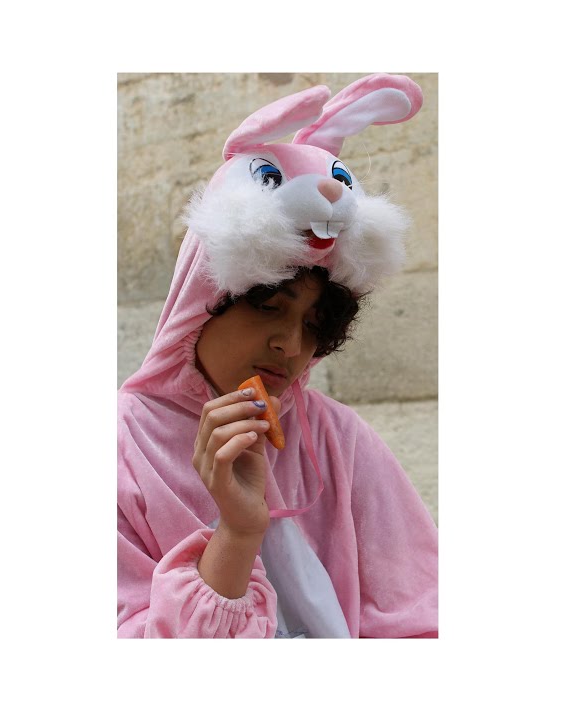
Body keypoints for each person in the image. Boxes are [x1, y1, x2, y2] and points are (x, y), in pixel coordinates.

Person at [117, 74, 438, 638]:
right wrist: (237, 536)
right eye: (268, 307)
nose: (290, 346)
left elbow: (422, 614)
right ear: (202, 299)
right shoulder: (123, 444)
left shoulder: (338, 437)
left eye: (315, 325)